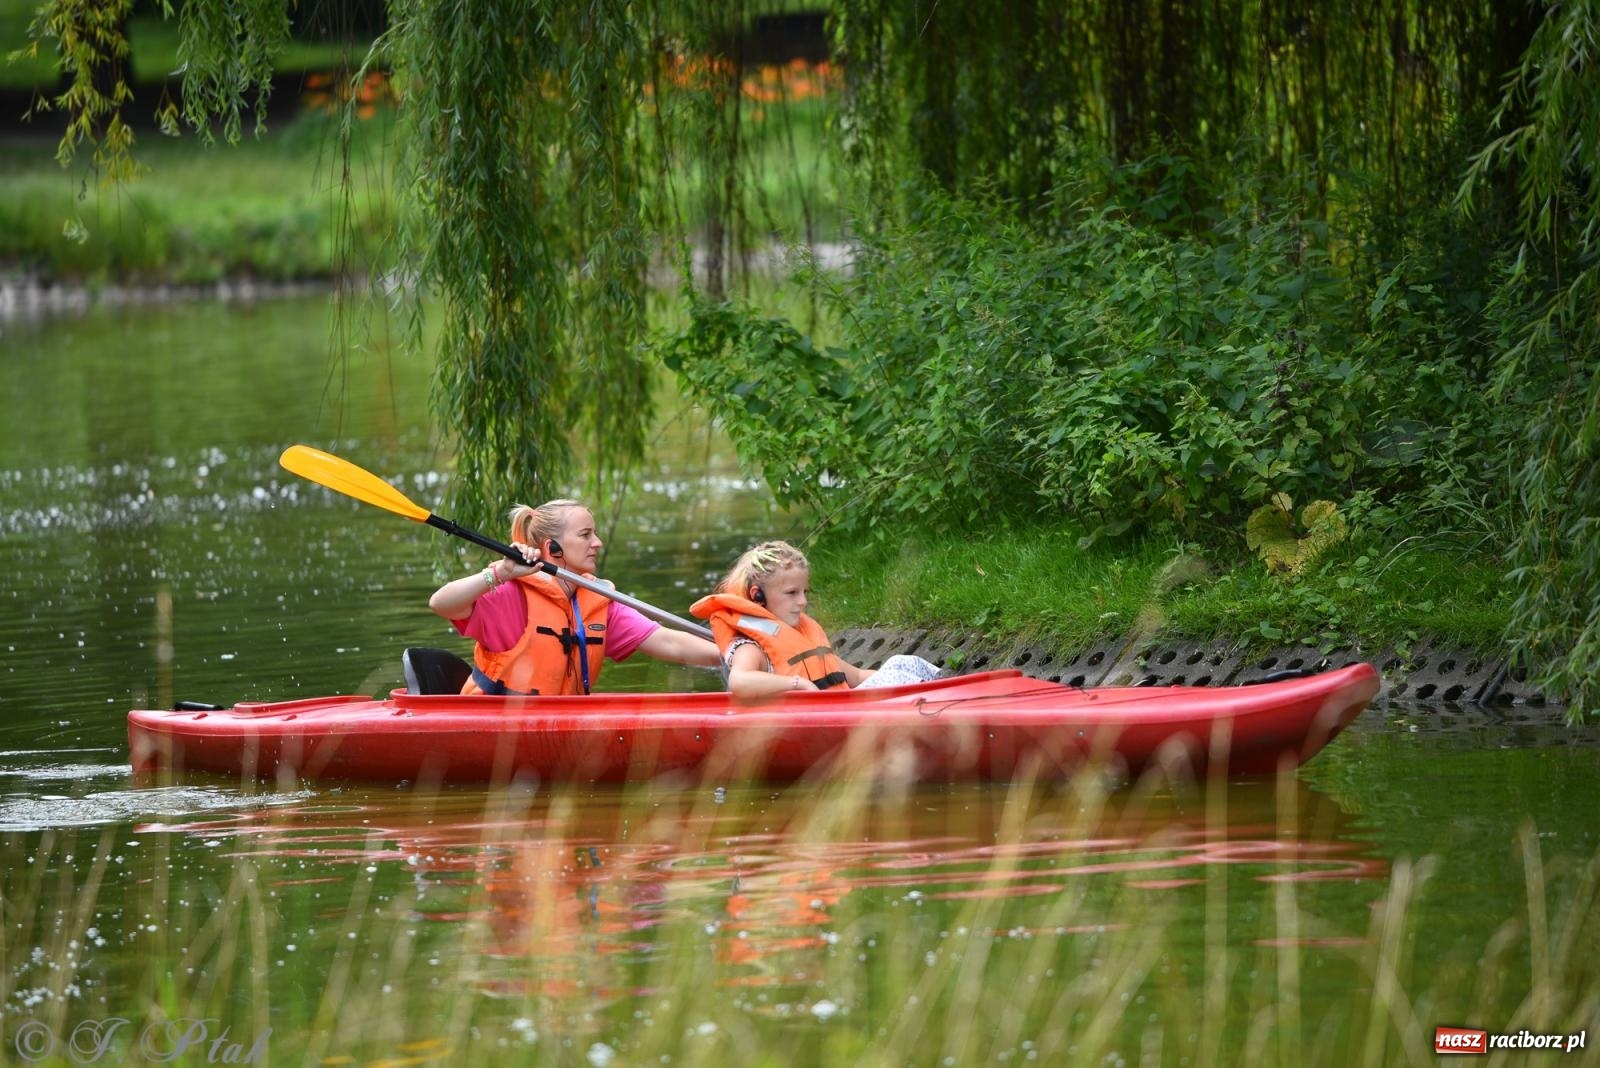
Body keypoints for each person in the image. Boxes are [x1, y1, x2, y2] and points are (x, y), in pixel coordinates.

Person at [429, 499, 720, 695]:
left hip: (558, 725)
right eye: (585, 535)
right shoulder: (512, 594)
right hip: (492, 725)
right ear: (552, 547)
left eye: (595, 533)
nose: (597, 543)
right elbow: (441, 604)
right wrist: (501, 573)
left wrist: (733, 655)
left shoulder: (597, 602)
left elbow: (669, 642)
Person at [690, 540, 942, 698]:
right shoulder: (750, 645)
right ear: (758, 596)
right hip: (806, 720)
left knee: (901, 663)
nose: (802, 602)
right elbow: (739, 681)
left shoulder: (804, 636)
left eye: (804, 592)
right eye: (791, 593)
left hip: (843, 710)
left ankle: (945, 692)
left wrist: (898, 687)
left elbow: (854, 677)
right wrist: (797, 684)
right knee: (899, 669)